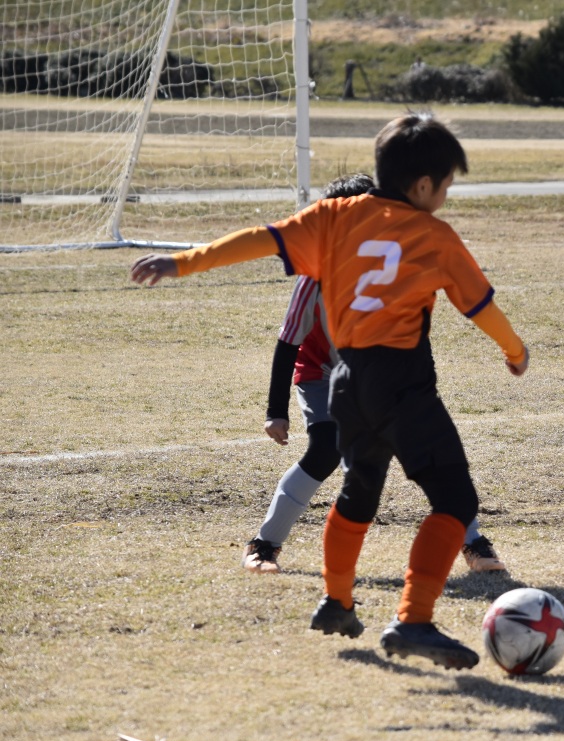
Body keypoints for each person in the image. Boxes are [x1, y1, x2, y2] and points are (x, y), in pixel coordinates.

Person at [132, 113, 528, 669]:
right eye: (446, 187)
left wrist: (181, 262)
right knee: (455, 500)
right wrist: (515, 351)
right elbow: (480, 306)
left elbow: (260, 239)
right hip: (403, 382)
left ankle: (337, 601)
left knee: (359, 491)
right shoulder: (433, 235)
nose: (444, 198)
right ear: (423, 186)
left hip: (345, 382)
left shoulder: (333, 216)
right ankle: (414, 619)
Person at [244, 172, 508, 577]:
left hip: (384, 373)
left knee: (428, 448)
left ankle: (474, 543)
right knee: (326, 449)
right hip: (323, 373)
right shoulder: (315, 275)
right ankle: (264, 545)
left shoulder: (397, 266)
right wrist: (275, 411)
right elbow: (288, 343)